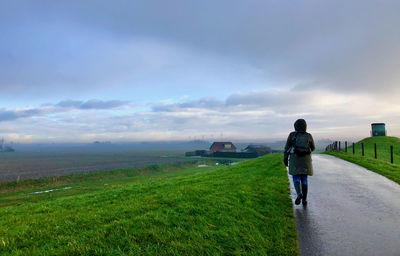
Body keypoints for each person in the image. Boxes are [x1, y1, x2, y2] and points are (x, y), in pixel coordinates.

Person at [284, 119, 315, 206]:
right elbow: (313, 148)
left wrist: (285, 159)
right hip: (306, 160)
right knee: (304, 179)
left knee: (296, 177)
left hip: (295, 159)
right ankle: (304, 199)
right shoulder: (309, 136)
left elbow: (286, 148)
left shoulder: (292, 135)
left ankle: (299, 194)